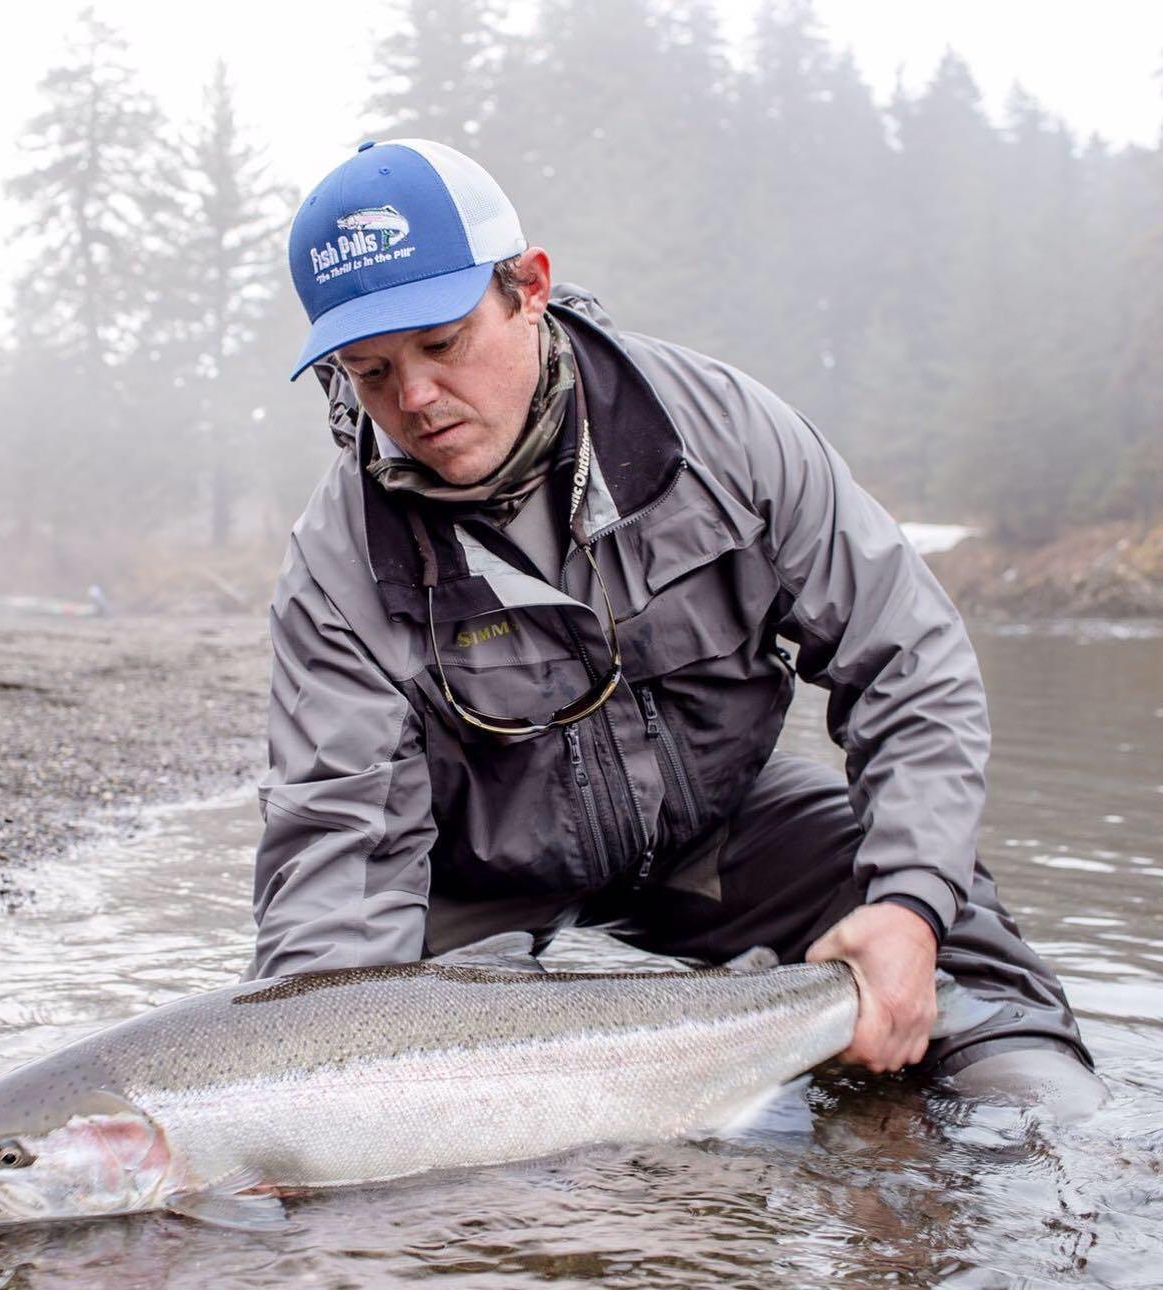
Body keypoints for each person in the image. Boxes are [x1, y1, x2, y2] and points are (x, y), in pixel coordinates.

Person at [246, 137, 1104, 1114]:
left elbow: (910, 662)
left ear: (529, 287)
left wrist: (908, 903)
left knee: (955, 942)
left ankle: (1042, 1159)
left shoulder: (721, 435)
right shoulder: (338, 565)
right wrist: (303, 1102)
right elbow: (340, 853)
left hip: (719, 826)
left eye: (441, 345)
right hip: (477, 880)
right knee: (370, 1103)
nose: (415, 400)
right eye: (369, 371)